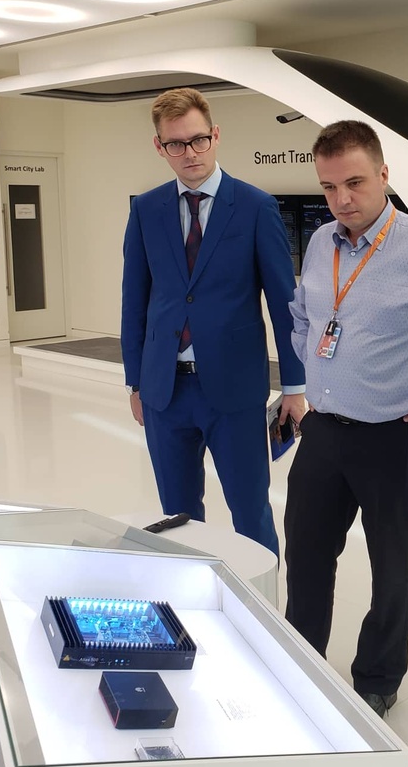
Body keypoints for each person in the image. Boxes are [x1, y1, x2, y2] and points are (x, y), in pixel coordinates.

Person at [285, 120, 408, 718]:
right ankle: (300, 660)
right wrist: (311, 370)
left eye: (354, 182)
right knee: (306, 557)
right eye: (329, 187)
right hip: (323, 431)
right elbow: (303, 316)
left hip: (392, 440)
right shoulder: (320, 243)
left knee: (391, 568)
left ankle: (378, 677)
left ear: (384, 175)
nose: (342, 199)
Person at [121, 87, 305, 556]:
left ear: (216, 135)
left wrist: (294, 386)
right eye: (176, 144)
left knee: (251, 512)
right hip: (164, 392)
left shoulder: (256, 206)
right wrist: (135, 381)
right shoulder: (146, 210)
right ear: (159, 147)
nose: (190, 153)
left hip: (234, 392)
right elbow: (134, 300)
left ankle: (261, 598)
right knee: (177, 517)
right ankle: (194, 596)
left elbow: (284, 303)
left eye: (198, 140)